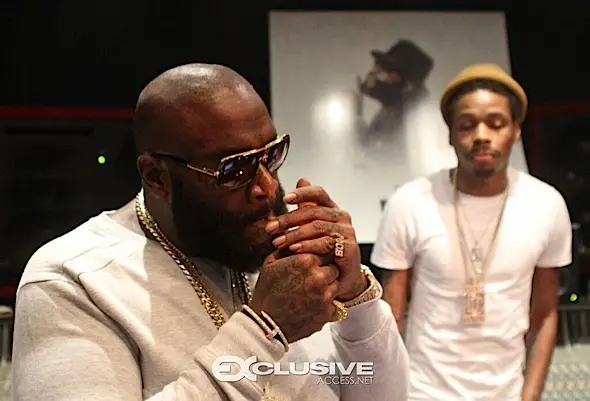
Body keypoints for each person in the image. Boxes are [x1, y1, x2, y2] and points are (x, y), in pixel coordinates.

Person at [11, 63, 409, 401]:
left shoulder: (271, 249)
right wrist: (263, 331)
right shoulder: (73, 279)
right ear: (156, 177)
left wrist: (356, 295)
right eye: (234, 169)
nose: (267, 186)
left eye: (270, 155)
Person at [371, 63, 572, 401]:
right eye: (466, 125)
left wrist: (530, 397)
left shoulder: (546, 204)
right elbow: (390, 317)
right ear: (450, 133)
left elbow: (544, 314)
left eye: (496, 123)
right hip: (423, 393)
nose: (481, 135)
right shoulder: (409, 202)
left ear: (516, 130)